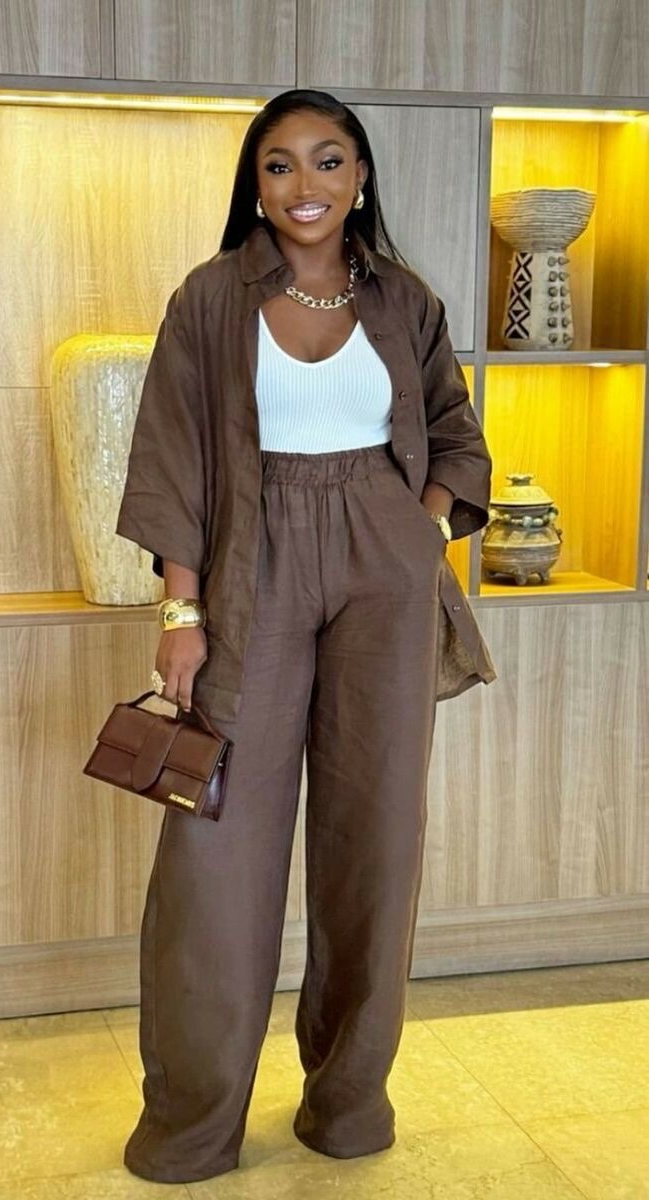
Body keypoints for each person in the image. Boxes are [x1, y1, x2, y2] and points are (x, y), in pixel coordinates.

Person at [115, 87, 497, 1185]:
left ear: (360, 177)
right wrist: (180, 611)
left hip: (383, 564)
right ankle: (192, 1126)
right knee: (216, 846)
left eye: (329, 161)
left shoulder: (404, 300)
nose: (305, 185)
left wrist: (420, 534)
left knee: (374, 837)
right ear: (256, 185)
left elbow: (456, 435)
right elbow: (173, 457)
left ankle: (348, 1105)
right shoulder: (209, 299)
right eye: (279, 165)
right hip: (251, 565)